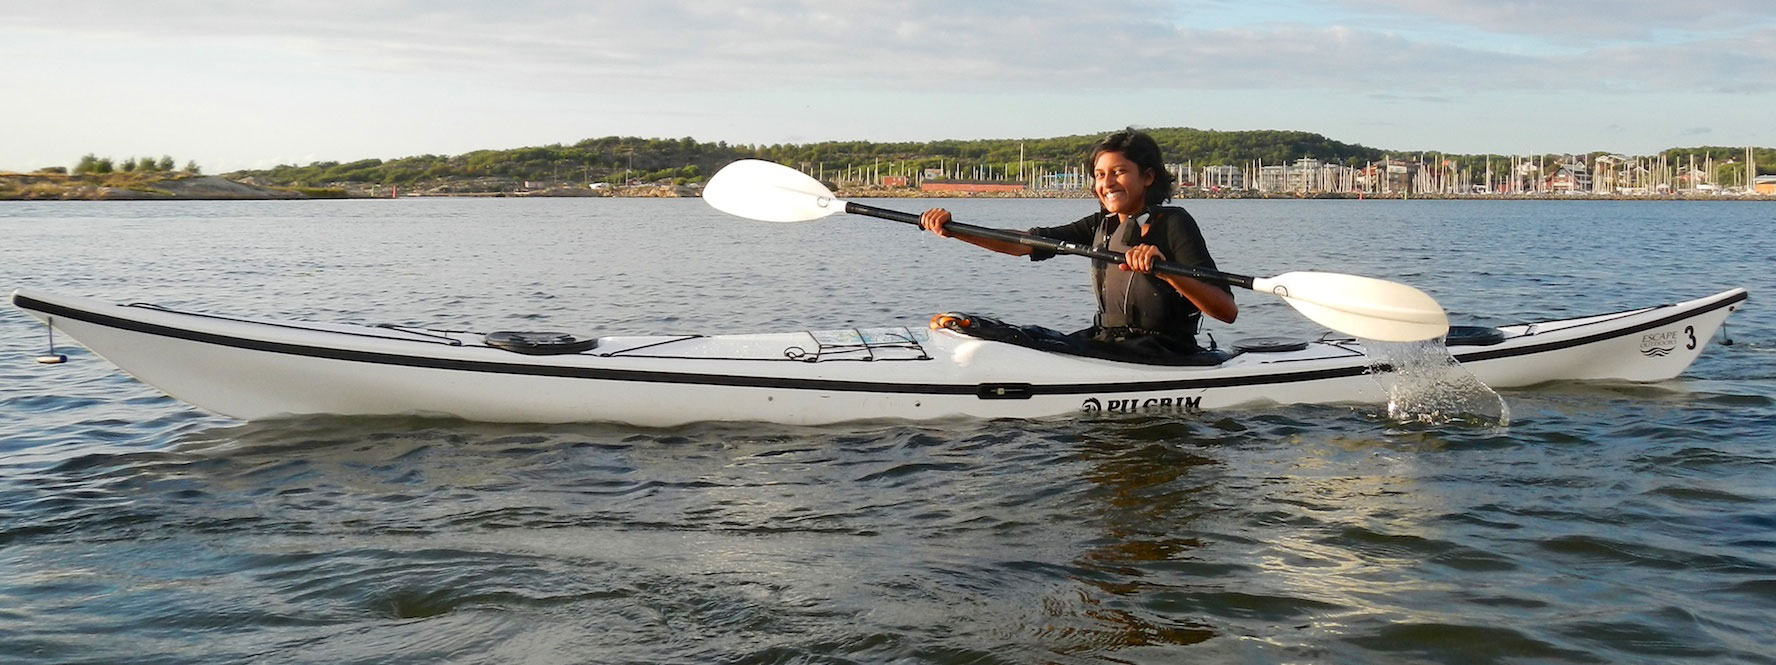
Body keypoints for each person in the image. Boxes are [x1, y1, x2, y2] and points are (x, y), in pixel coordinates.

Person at [919, 129, 1237, 361]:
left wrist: (1168, 272)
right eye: (1100, 174)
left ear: (1148, 177)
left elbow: (1226, 310)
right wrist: (954, 231)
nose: (1107, 183)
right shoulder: (1102, 224)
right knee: (1011, 335)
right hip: (1109, 341)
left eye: (1119, 172)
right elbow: (1023, 244)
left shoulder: (1174, 223)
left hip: (1164, 352)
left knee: (1031, 345)